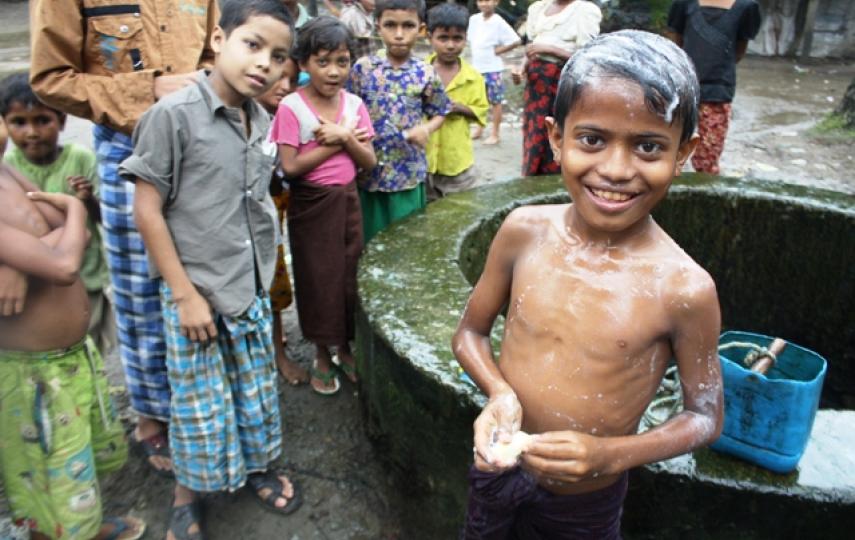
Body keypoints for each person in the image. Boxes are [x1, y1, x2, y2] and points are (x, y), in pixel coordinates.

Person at [453, 30, 724, 538]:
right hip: (497, 469)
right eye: (592, 140)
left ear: (684, 151)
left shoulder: (684, 288)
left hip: (586, 503)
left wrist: (610, 454)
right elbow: (469, 334)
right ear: (556, 137)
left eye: (648, 146)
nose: (616, 170)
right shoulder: (523, 232)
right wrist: (498, 393)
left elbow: (704, 415)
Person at [120, 1, 301, 537]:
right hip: (195, 294)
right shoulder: (172, 117)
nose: (265, 63)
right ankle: (186, 493)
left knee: (253, 392)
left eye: (279, 56)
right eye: (253, 45)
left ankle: (256, 468)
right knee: (199, 405)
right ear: (218, 40)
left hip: (246, 288)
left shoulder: (263, 120)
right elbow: (147, 210)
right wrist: (184, 296)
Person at [29, 0, 221, 478]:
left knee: (198, 281)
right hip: (125, 149)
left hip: (199, 143)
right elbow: (51, 77)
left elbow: (216, 53)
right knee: (139, 293)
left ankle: (196, 404)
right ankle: (152, 412)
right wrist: (148, 88)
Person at [0, 116, 144, 540]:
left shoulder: (8, 170)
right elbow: (65, 262)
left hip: (66, 361)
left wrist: (29, 260)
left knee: (71, 465)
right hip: (33, 375)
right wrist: (74, 212)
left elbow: (72, 240)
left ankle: (83, 528)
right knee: (46, 472)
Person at [271, 16, 377, 395]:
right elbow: (290, 167)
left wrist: (346, 137)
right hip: (310, 205)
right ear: (302, 63)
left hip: (347, 201)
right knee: (318, 278)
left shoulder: (354, 105)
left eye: (342, 61)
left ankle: (345, 348)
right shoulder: (292, 109)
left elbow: (369, 162)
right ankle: (320, 352)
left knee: (349, 275)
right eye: (323, 61)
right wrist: (335, 142)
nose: (334, 72)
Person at [0, 72, 115, 357]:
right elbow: (63, 260)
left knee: (96, 340)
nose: (31, 133)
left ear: (62, 121)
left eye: (42, 120)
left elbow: (90, 228)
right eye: (18, 122)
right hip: (34, 334)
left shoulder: (9, 172)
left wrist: (85, 202)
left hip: (86, 278)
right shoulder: (11, 165)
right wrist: (73, 206)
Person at [347, 0, 450, 243]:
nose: (399, 34)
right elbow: (346, 106)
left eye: (408, 26)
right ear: (378, 26)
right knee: (370, 242)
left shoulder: (425, 72)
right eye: (391, 25)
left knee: (407, 242)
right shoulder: (363, 69)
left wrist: (426, 128)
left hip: (408, 173)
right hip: (368, 173)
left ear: (421, 29)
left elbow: (441, 111)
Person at [257, 57, 311, 387]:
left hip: (274, 212)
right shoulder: (239, 118)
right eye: (276, 79)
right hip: (242, 217)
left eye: (289, 79)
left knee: (275, 280)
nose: (285, 87)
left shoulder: (286, 115)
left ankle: (278, 353)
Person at [666, 0, 762, 175]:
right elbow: (675, 42)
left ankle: (703, 193)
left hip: (718, 90)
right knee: (666, 149)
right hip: (681, 86)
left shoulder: (746, 7)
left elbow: (738, 50)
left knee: (707, 157)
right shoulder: (683, 3)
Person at [511, 0, 600, 176]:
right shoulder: (538, 9)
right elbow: (532, 48)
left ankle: (560, 179)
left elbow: (589, 57)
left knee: (561, 129)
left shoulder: (584, 11)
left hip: (562, 83)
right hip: (536, 85)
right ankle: (532, 175)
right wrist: (521, 69)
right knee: (535, 129)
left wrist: (551, 50)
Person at [425, 3, 489, 201]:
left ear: (465, 39)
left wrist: (457, 108)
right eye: (443, 38)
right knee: (425, 215)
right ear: (430, 37)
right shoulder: (420, 72)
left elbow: (481, 112)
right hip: (424, 161)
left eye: (457, 38)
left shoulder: (473, 77)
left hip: (457, 163)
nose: (450, 45)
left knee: (461, 211)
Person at [468, 0, 521, 145]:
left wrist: (499, 50)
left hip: (492, 69)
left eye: (488, 0)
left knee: (495, 101)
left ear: (496, 2)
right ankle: (479, 128)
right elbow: (471, 41)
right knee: (479, 100)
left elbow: (516, 41)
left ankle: (495, 133)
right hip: (476, 67)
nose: (484, 3)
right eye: (481, 0)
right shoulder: (474, 20)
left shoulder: (498, 21)